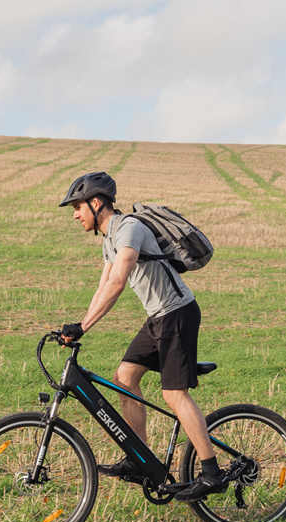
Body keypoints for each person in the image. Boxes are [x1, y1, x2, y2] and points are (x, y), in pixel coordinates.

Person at [57, 171, 225, 502]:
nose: (75, 214)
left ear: (96, 203)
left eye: (77, 207)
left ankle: (211, 473)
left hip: (177, 315)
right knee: (124, 378)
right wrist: (79, 324)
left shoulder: (129, 229)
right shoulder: (109, 239)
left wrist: (85, 326)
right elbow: (104, 285)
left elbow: (120, 280)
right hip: (158, 319)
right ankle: (141, 459)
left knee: (173, 394)